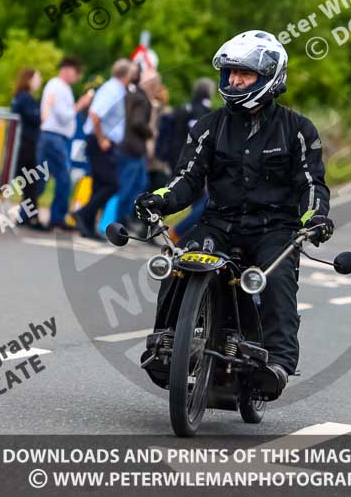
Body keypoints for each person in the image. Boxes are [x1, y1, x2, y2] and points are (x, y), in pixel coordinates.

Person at [134, 30, 334, 400]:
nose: (235, 80)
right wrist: (157, 200)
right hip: (219, 223)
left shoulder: (299, 130)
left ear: (270, 76)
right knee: (181, 261)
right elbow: (186, 179)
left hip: (274, 227)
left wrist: (315, 218)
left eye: (245, 74)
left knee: (277, 279)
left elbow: (312, 185)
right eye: (230, 73)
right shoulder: (208, 126)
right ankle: (165, 341)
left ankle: (278, 362)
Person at [72, 58, 131, 241]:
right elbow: (95, 113)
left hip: (102, 141)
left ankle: (87, 224)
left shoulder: (116, 89)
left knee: (99, 184)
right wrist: (102, 138)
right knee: (112, 183)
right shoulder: (112, 89)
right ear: (127, 74)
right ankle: (84, 213)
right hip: (100, 141)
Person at [38, 57, 93, 231]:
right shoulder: (58, 87)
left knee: (42, 177)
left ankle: (31, 215)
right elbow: (64, 115)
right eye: (76, 73)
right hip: (54, 136)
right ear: (68, 70)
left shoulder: (60, 87)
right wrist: (80, 104)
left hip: (53, 136)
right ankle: (56, 217)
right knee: (63, 178)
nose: (77, 78)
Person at [167, 77, 215, 240]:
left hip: (177, 156)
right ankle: (179, 231)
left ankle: (188, 233)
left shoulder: (186, 108)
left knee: (200, 200)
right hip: (192, 161)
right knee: (205, 202)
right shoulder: (203, 113)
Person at [115, 61, 154, 227]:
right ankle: (120, 219)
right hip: (133, 148)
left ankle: (123, 218)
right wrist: (150, 132)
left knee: (136, 184)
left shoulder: (131, 94)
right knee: (131, 186)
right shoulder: (140, 98)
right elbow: (137, 122)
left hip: (130, 147)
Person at [11, 69, 46, 230]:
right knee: (29, 182)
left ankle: (29, 217)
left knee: (27, 182)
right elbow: (35, 118)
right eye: (37, 78)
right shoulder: (25, 98)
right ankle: (30, 218)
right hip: (26, 145)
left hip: (25, 144)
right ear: (29, 80)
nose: (39, 81)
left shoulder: (23, 97)